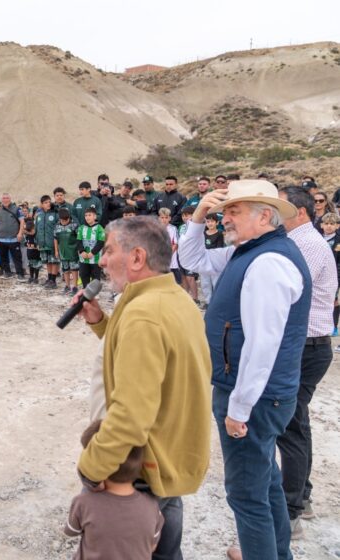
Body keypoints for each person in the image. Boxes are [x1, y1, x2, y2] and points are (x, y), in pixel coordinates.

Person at [177, 180, 310, 560]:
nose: (225, 218)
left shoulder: (267, 262)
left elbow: (262, 345)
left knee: (246, 495)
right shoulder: (249, 251)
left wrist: (239, 407)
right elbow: (192, 259)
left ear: (264, 216)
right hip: (256, 395)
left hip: (254, 398)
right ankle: (276, 553)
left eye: (234, 211)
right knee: (265, 482)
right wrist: (199, 216)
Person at [74, 216, 211, 560]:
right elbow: (146, 359)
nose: (101, 261)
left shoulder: (144, 314)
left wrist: (92, 467)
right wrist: (100, 322)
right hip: (167, 458)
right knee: (167, 550)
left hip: (139, 469)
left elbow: (131, 415)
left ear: (136, 257)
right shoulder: (174, 298)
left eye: (108, 251)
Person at [275, 186, 337, 539]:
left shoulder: (307, 245)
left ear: (299, 212)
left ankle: (291, 511)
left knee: (290, 426)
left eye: (280, 207)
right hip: (306, 346)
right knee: (297, 423)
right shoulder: (299, 242)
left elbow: (287, 289)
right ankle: (303, 496)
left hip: (306, 348)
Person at [65, 419, 164, 560]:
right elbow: (152, 546)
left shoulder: (83, 503)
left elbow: (71, 531)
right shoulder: (152, 507)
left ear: (97, 468)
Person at [0, 193, 25, 279]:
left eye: (7, 198)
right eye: (4, 198)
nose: (5, 200)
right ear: (1, 200)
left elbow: (22, 221)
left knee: (17, 257)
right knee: (4, 257)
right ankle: (7, 272)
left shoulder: (17, 209)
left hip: (14, 238)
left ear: (10, 199)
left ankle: (20, 274)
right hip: (1, 238)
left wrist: (20, 233)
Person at [34, 195, 60, 288]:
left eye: (49, 202)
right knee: (48, 261)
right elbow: (36, 230)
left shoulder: (55, 214)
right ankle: (49, 279)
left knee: (54, 261)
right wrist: (37, 242)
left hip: (53, 243)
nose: (48, 204)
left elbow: (58, 229)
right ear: (41, 204)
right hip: (42, 243)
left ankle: (53, 280)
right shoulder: (39, 216)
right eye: (45, 202)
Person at [77, 208, 105, 288]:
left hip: (95, 258)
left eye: (89, 215)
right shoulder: (81, 228)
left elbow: (101, 242)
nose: (87, 217)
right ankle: (85, 290)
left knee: (95, 278)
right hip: (83, 258)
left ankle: (94, 292)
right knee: (84, 275)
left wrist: (92, 253)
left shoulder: (99, 228)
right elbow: (79, 241)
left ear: (95, 216)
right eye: (86, 215)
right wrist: (82, 251)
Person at [54, 208, 79, 294]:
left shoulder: (74, 226)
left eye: (66, 220)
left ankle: (75, 287)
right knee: (65, 269)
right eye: (62, 220)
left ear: (69, 218)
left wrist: (79, 249)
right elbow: (55, 239)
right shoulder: (57, 226)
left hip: (73, 252)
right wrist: (56, 251)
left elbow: (79, 238)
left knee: (74, 269)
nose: (64, 222)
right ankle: (67, 286)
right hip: (63, 252)